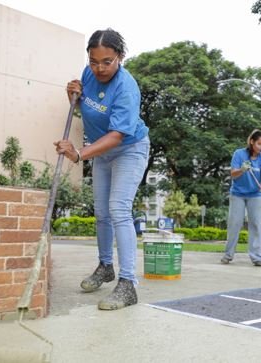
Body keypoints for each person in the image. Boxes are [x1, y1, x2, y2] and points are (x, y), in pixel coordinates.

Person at [54, 29, 150, 310]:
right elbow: (87, 108)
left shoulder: (126, 88)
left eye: (106, 62)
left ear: (119, 57)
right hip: (101, 151)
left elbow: (118, 135)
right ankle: (105, 266)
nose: (99, 68)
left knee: (119, 209)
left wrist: (79, 154)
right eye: (94, 61)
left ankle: (128, 284)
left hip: (128, 149)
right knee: (101, 212)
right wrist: (72, 95)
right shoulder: (88, 73)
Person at [221, 129, 261, 266]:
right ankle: (228, 255)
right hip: (237, 194)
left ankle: (257, 257)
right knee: (234, 224)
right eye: (259, 144)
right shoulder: (239, 154)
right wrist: (241, 170)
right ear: (252, 142)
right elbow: (233, 174)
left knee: (256, 225)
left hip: (255, 195)